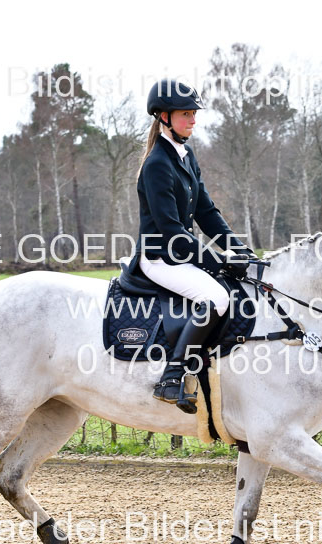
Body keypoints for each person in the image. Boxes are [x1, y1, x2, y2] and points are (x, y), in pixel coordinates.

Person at [134, 78, 255, 412]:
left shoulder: (186, 156)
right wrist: (218, 262)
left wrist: (239, 250)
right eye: (186, 114)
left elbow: (206, 211)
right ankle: (171, 378)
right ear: (163, 117)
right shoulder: (157, 164)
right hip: (160, 257)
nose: (193, 120)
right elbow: (172, 230)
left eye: (193, 113)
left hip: (180, 256)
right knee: (216, 297)